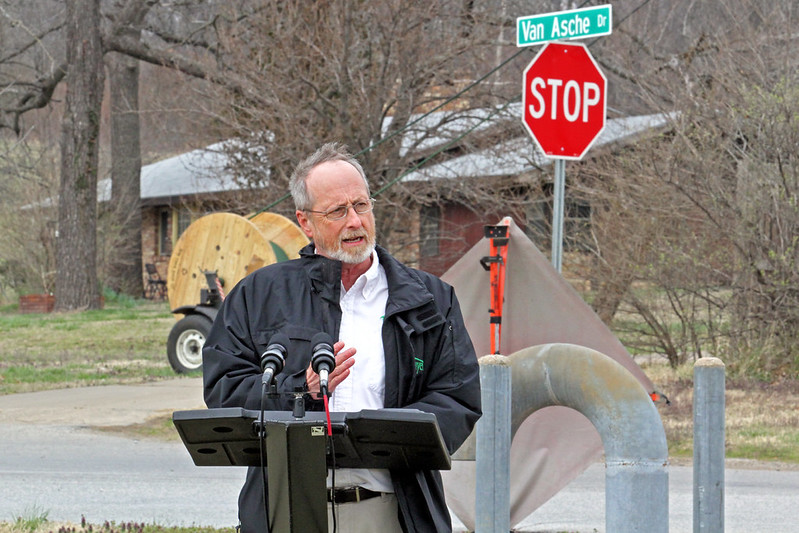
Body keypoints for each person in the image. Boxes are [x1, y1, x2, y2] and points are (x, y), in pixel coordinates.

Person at [202, 142, 482, 532]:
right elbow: (223, 390)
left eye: (361, 205)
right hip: (286, 510)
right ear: (305, 222)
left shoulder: (429, 299)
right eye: (337, 211)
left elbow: (458, 397)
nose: (354, 221)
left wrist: (384, 436)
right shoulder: (259, 294)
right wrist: (300, 389)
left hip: (388, 512)